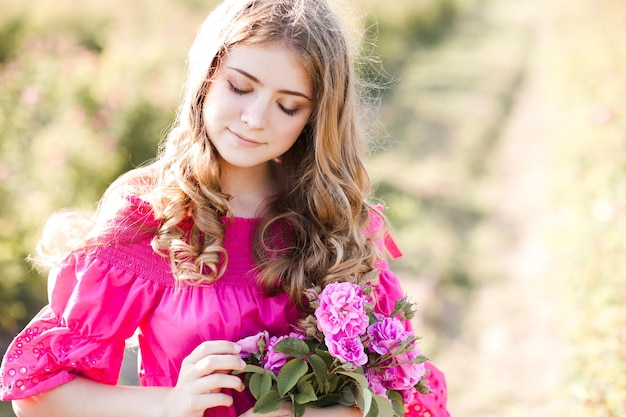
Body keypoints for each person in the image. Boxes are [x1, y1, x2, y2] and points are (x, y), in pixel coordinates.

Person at [0, 0, 450, 416]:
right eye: (239, 86)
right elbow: (37, 393)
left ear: (315, 118)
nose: (255, 118)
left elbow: (406, 392)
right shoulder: (149, 216)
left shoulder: (335, 223)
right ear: (206, 76)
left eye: (288, 106)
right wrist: (171, 403)